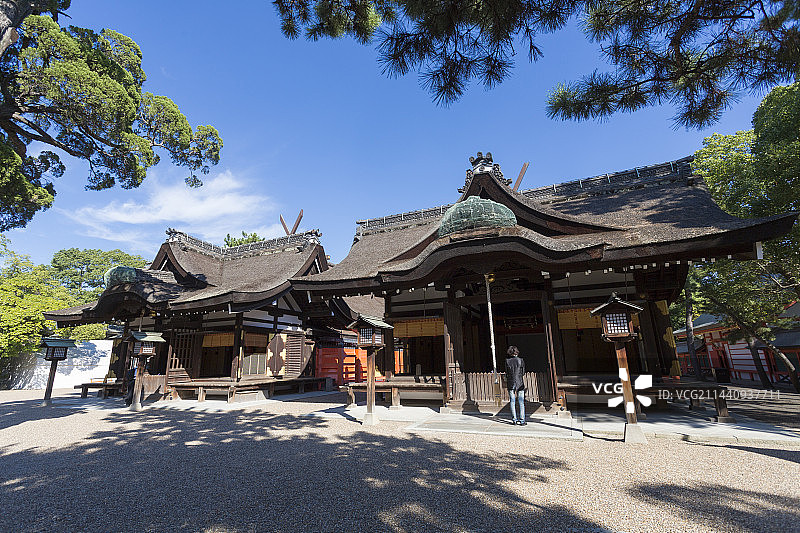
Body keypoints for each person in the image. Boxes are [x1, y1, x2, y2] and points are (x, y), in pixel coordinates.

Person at [505, 346, 526, 425]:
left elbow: (507, 373)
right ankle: (522, 420)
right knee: (521, 402)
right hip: (519, 382)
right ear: (517, 352)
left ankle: (514, 419)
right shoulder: (521, 360)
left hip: (511, 382)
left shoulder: (507, 361)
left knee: (512, 401)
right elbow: (523, 372)